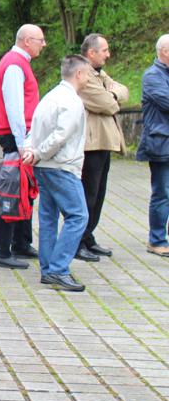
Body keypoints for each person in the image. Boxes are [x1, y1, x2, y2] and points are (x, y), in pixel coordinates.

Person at [22, 55, 93, 292]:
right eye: (88, 74)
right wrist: (39, 152)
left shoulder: (49, 97)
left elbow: (34, 129)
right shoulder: (72, 101)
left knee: (48, 218)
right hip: (61, 166)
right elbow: (61, 136)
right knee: (78, 216)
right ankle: (58, 269)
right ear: (79, 74)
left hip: (43, 166)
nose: (89, 78)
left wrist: (31, 151)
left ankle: (48, 268)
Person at [0, 24, 45, 269]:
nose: (44, 44)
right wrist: (22, 142)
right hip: (16, 135)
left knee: (25, 188)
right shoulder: (14, 64)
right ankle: (1, 250)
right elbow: (14, 107)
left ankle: (21, 242)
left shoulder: (19, 63)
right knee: (13, 188)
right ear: (26, 41)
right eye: (40, 40)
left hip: (20, 134)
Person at [76, 34, 129, 262]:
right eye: (104, 50)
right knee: (88, 194)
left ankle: (88, 236)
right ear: (91, 53)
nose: (108, 54)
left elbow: (123, 90)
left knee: (98, 194)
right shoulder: (82, 74)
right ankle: (78, 241)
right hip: (91, 144)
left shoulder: (99, 73)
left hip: (104, 142)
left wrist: (111, 93)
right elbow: (108, 105)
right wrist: (111, 96)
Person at [137, 35, 169, 257]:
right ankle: (156, 240)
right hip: (161, 143)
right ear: (165, 51)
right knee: (162, 193)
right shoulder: (152, 76)